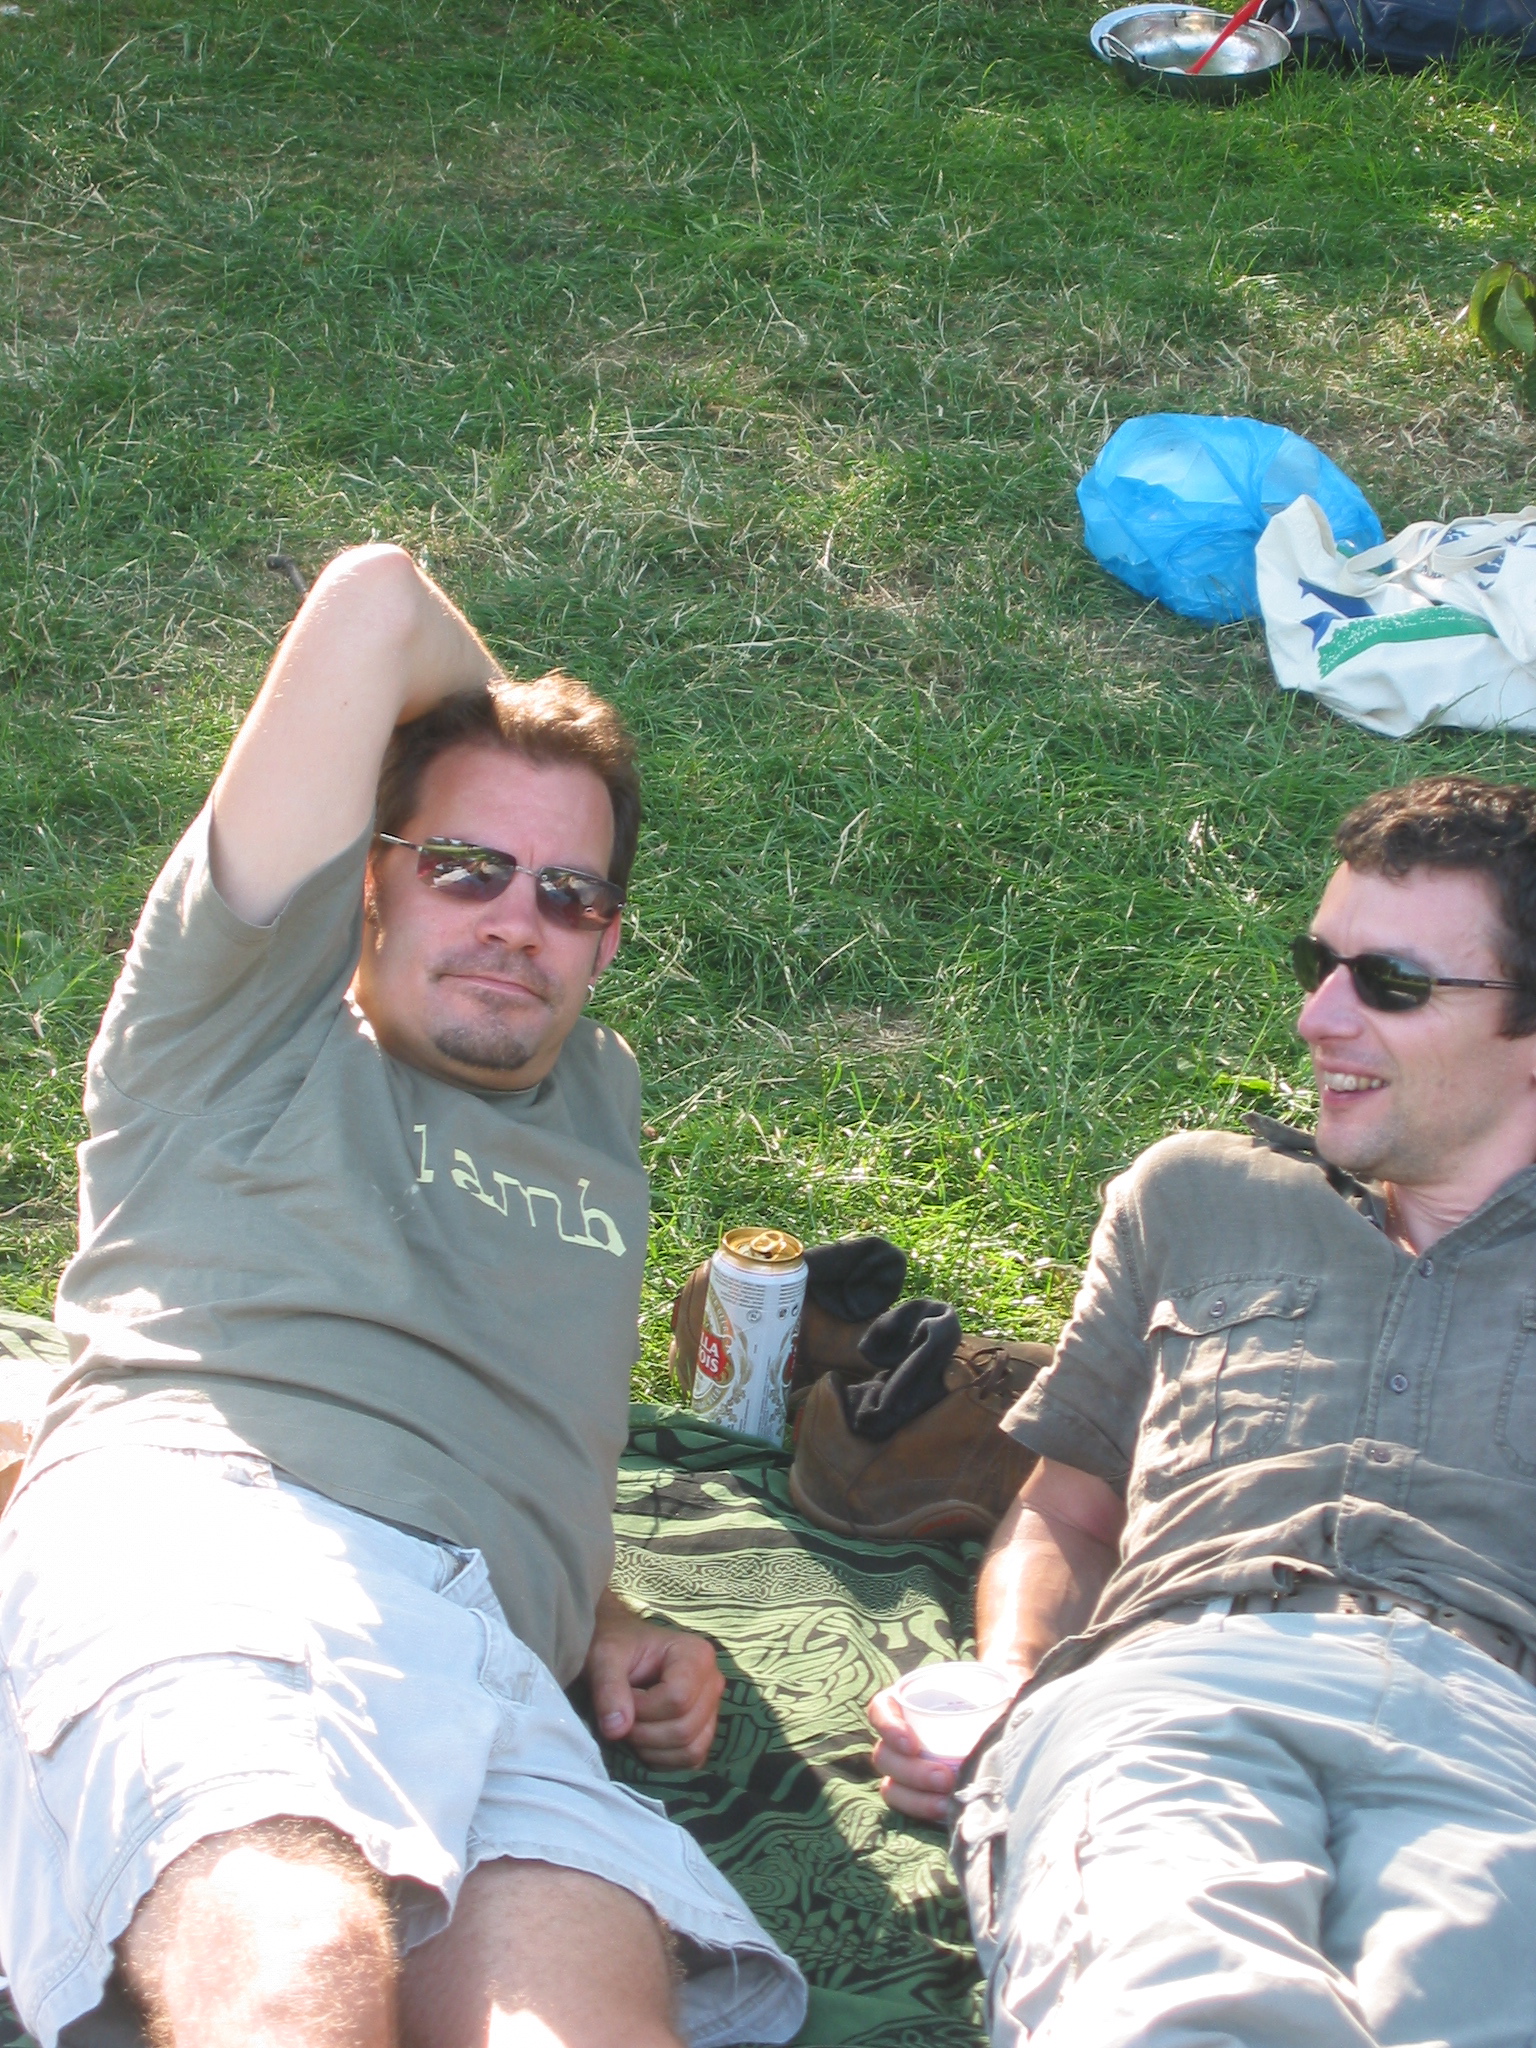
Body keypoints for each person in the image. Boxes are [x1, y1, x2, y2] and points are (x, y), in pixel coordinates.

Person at [0, 547, 806, 2048]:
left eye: (571, 895)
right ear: (368, 879)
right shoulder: (238, 1019)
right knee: (299, 1963)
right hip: (223, 1532)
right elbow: (374, 601)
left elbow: (505, 1398)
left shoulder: (596, 1100)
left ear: (610, 941)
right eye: (465, 866)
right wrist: (516, 725)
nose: (518, 918)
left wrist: (606, 1610)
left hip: (499, 1662)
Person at [870, 773, 1536, 2048]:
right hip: (1176, 1677)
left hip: (1492, 1726)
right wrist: (1007, 1675)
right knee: (1165, 1981)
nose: (1317, 1016)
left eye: (1389, 984)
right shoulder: (1196, 1193)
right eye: (1318, 961)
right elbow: (1063, 1506)